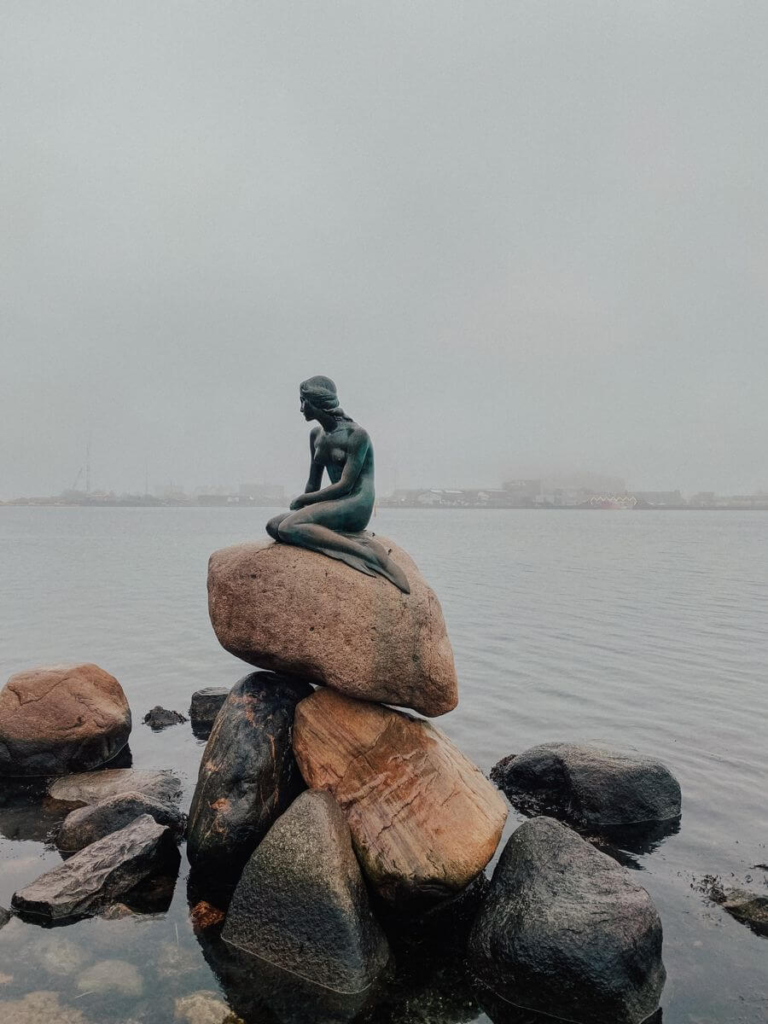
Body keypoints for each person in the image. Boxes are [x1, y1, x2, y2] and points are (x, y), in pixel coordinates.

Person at [266, 376, 410, 593]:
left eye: (304, 401)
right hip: (336, 502)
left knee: (290, 527)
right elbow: (313, 483)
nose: (301, 408)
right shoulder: (316, 435)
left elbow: (345, 485)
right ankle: (335, 537)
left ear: (317, 402)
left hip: (356, 502)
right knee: (274, 526)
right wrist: (304, 508)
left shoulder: (356, 435)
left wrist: (304, 502)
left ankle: (369, 554)